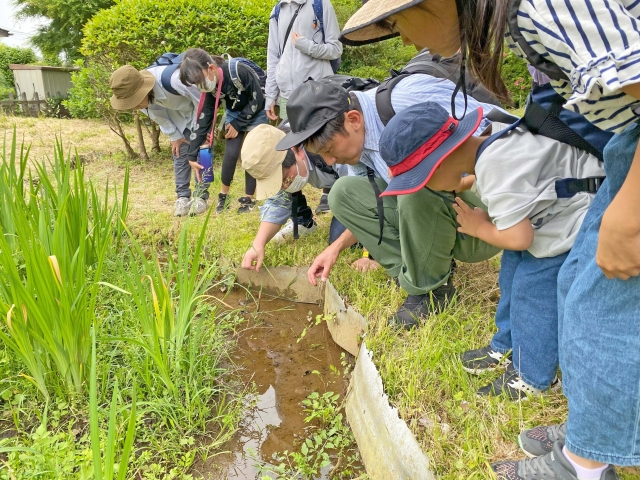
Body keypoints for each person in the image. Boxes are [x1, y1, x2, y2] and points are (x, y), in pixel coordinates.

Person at [340, 0, 640, 478]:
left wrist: (627, 211)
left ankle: (574, 449)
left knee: (592, 306)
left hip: (569, 218)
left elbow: (519, 235)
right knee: (574, 297)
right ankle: (597, 429)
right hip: (600, 173)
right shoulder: (498, 127)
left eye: (397, 22)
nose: (406, 42)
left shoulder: (541, 9)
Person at [379, 101, 604, 401]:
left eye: (422, 178)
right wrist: (467, 184)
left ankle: (534, 377)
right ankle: (506, 344)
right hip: (550, 214)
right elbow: (510, 175)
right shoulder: (491, 140)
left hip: (571, 223)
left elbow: (519, 237)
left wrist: (480, 227)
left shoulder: (495, 164)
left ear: (442, 159)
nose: (424, 187)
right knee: (510, 276)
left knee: (531, 291)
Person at [276, 76, 502, 328]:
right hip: (443, 209)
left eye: (329, 149)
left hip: (485, 223)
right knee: (343, 192)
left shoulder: (406, 98)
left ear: (353, 120)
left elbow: (498, 132)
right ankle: (417, 273)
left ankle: (428, 288)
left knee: (413, 177)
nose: (329, 162)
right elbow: (380, 206)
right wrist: (336, 248)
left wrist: (466, 187)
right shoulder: (358, 147)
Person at [239, 123, 351, 272]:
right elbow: (277, 203)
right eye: (277, 185)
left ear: (296, 150)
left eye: (285, 179)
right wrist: (258, 245)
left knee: (343, 239)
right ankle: (304, 221)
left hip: (356, 182)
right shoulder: (276, 146)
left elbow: (366, 189)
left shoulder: (328, 143)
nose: (284, 187)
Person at [109, 64, 208, 217]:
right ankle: (182, 197)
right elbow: (159, 116)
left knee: (203, 151)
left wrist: (202, 128)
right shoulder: (138, 96)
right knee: (179, 152)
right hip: (178, 118)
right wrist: (174, 136)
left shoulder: (176, 80)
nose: (133, 106)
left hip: (198, 112)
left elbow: (202, 100)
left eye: (134, 101)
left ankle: (201, 197)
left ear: (143, 90)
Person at [179, 48, 268, 214]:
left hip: (256, 109)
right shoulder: (211, 87)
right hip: (235, 113)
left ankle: (248, 198)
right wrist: (191, 155)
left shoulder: (238, 71)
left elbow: (258, 99)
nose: (200, 86)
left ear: (211, 69)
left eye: (200, 81)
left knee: (251, 153)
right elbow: (204, 120)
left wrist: (238, 123)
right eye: (196, 84)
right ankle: (223, 195)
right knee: (231, 153)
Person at [265, 0, 343, 123]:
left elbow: (336, 49)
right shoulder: (277, 10)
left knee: (319, 140)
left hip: (318, 92)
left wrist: (306, 46)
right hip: (287, 96)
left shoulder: (321, 4)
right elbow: (273, 57)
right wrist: (270, 95)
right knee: (291, 140)